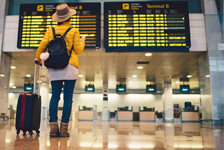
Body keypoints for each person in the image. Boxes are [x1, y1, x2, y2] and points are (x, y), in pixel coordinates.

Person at [35, 3, 85, 137]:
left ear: (57, 18)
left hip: (54, 66)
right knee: (68, 98)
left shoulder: (50, 30)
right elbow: (78, 50)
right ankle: (64, 129)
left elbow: (42, 45)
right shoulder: (74, 30)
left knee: (55, 96)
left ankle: (53, 128)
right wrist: (82, 41)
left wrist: (38, 59)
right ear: (69, 17)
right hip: (70, 66)